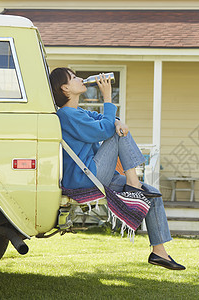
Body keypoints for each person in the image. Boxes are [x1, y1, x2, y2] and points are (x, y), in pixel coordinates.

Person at [49, 67, 185, 271]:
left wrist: (117, 120)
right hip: (85, 178)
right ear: (65, 88)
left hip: (97, 173)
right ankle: (133, 183)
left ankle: (159, 252)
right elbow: (104, 130)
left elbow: (104, 121)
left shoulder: (77, 112)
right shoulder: (66, 115)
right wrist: (107, 97)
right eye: (74, 77)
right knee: (115, 134)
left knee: (153, 194)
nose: (80, 79)